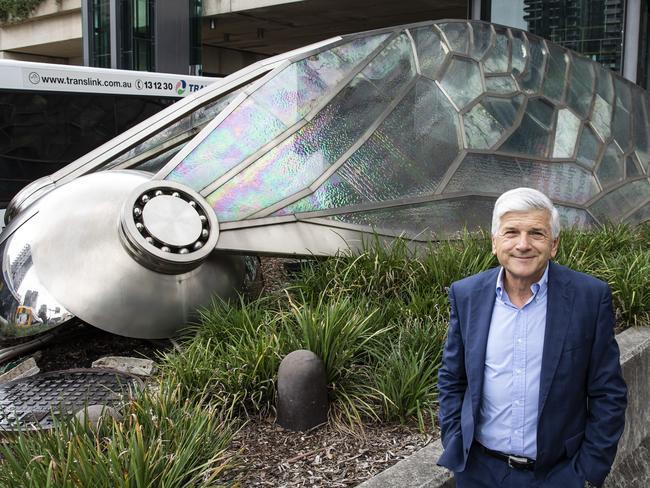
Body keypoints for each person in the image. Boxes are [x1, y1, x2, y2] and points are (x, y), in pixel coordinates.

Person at [437, 187, 627, 488]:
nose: (522, 245)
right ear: (494, 242)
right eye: (511, 232)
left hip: (559, 475)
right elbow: (452, 377)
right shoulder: (467, 294)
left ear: (553, 245)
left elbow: (609, 394)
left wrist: (588, 473)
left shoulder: (589, 298)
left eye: (536, 234)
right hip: (479, 473)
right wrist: (455, 440)